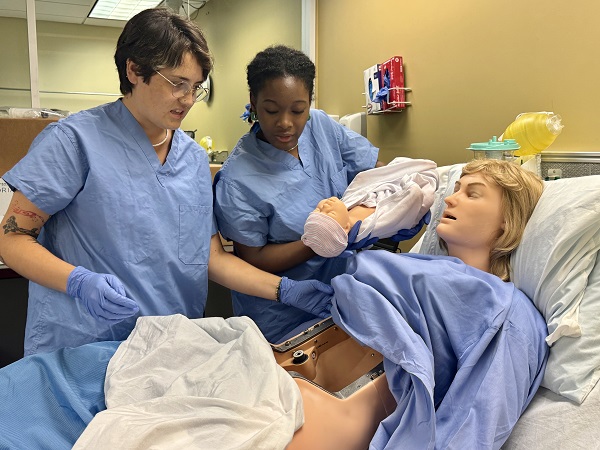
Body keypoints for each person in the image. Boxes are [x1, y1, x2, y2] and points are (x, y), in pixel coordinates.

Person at [0, 8, 331, 357]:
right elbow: (12, 237)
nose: (188, 100)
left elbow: (210, 257)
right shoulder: (73, 143)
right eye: (177, 84)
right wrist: (78, 282)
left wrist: (285, 290)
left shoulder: (191, 160)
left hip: (171, 348)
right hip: (86, 347)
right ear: (134, 70)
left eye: (195, 88)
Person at [325, 159, 548, 448]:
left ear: (507, 219)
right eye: (455, 189)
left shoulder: (509, 312)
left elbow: (474, 424)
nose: (450, 199)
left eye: (472, 194)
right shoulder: (413, 267)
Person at [213, 44, 411, 344]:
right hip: (282, 313)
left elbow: (374, 172)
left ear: (309, 102)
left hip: (345, 288)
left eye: (297, 110)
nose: (285, 123)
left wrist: (394, 203)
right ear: (253, 102)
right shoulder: (237, 178)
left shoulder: (320, 126)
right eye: (271, 110)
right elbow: (253, 258)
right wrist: (321, 239)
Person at [301, 156, 438, 258]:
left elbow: (362, 182)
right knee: (425, 180)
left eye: (317, 210)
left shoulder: (346, 208)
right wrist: (410, 196)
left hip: (387, 185)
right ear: (345, 228)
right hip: (404, 191)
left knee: (398, 163)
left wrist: (387, 174)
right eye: (329, 214)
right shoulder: (367, 228)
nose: (325, 206)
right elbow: (398, 212)